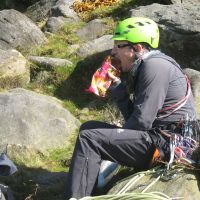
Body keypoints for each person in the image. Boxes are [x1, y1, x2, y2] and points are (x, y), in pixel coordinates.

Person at [65, 17, 197, 200]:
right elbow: (138, 120)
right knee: (88, 128)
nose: (112, 51)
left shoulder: (155, 66)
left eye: (118, 45)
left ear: (138, 48)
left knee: (90, 138)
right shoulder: (147, 65)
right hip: (158, 137)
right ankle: (92, 184)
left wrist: (114, 141)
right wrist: (119, 91)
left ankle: (76, 197)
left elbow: (142, 122)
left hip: (167, 145)